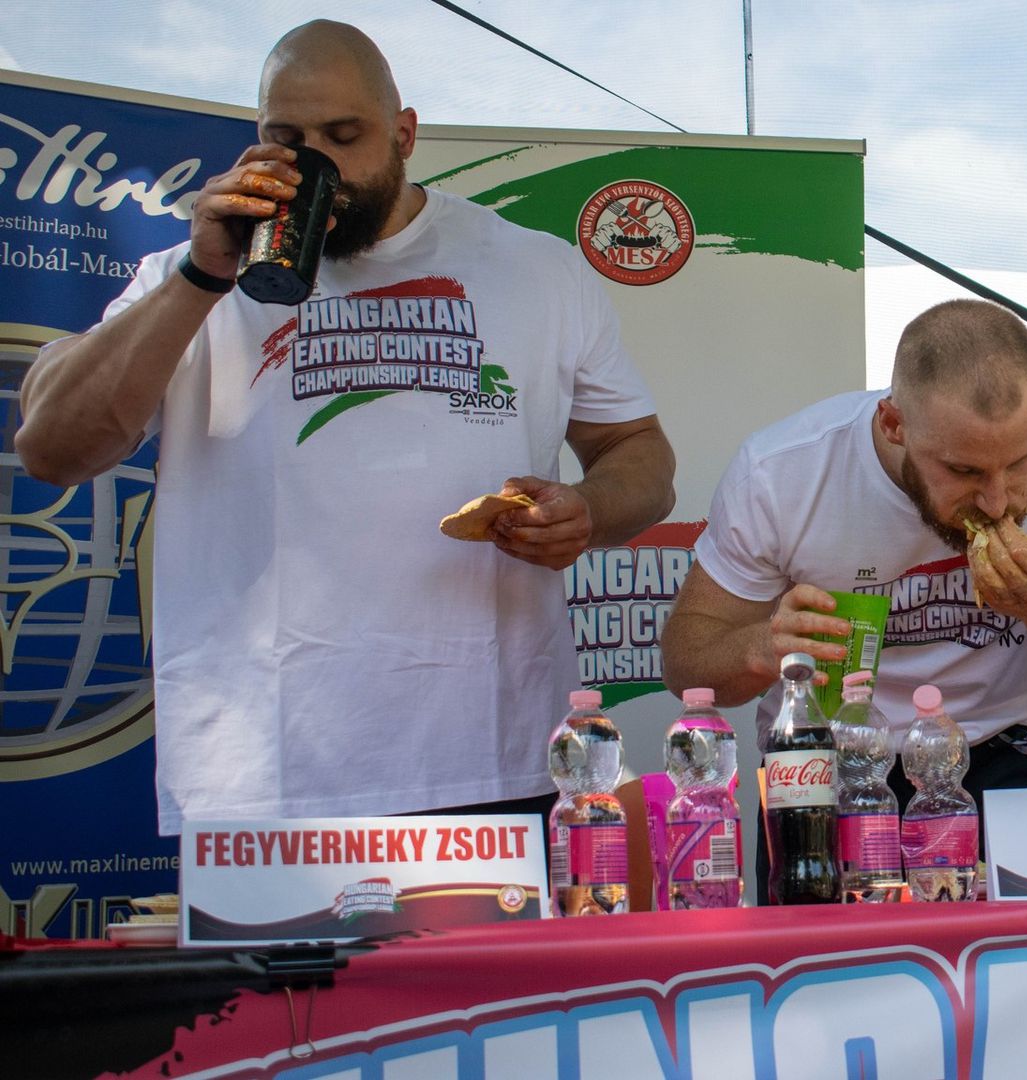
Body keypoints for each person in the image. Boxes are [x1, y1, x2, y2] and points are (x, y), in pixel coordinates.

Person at [14, 21, 676, 834]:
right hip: (259, 772)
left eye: (343, 135)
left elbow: (637, 455)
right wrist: (202, 274)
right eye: (287, 138)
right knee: (287, 973)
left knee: (487, 969)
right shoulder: (186, 277)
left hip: (488, 757)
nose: (314, 161)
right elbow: (51, 448)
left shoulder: (535, 267)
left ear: (404, 134)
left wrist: (589, 510)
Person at [661, 298, 1027, 831]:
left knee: (1026, 915)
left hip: (1002, 750)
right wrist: (760, 649)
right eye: (963, 469)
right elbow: (686, 663)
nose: (999, 502)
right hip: (824, 760)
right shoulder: (781, 473)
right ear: (893, 424)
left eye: (1022, 462)